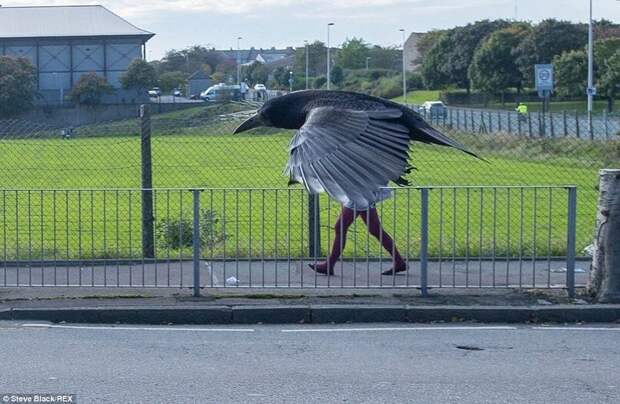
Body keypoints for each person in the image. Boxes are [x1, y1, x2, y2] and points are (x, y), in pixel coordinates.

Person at [309, 188, 407, 276]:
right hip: (362, 192)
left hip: (360, 193)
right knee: (375, 230)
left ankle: (329, 265)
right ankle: (399, 262)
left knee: (341, 227)